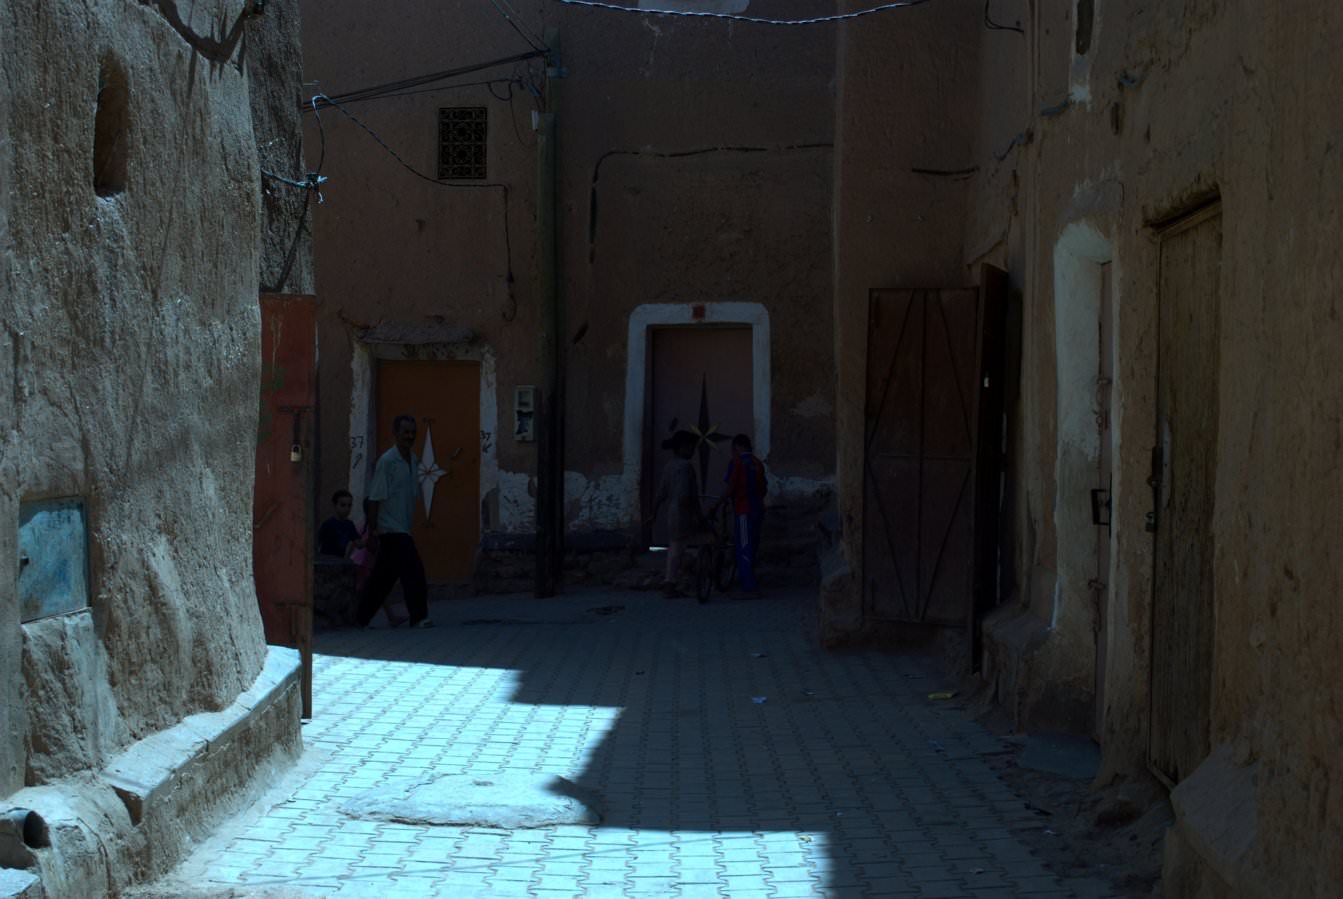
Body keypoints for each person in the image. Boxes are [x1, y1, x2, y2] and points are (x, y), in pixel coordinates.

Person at [354, 415, 433, 629]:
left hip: (402, 527)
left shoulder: (413, 460)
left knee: (383, 577)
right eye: (405, 432)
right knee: (414, 570)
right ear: (395, 433)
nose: (410, 436)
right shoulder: (387, 461)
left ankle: (360, 617)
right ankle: (419, 616)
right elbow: (374, 498)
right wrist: (373, 532)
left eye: (413, 432)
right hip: (390, 529)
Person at [649, 430, 706, 597]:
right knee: (694, 542)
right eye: (691, 447)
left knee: (676, 546)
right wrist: (697, 514)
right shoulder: (686, 467)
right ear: (683, 448)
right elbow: (686, 495)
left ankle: (671, 581)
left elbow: (661, 492)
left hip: (672, 513)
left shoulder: (669, 466)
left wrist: (654, 512)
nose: (693, 451)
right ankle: (673, 582)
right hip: (684, 512)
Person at [720, 433, 767, 595]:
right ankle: (750, 581)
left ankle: (748, 587)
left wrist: (718, 502)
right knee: (753, 546)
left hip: (743, 510)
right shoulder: (757, 463)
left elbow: (730, 486)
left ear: (737, 447)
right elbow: (763, 488)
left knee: (744, 547)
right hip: (758, 509)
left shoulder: (737, 462)